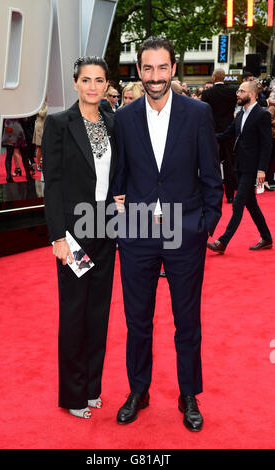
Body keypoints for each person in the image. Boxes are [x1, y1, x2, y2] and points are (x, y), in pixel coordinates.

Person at [112, 36, 223, 432]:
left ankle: (188, 393)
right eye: (148, 68)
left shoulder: (198, 113)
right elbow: (118, 176)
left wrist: (204, 224)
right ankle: (138, 390)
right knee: (137, 319)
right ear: (138, 71)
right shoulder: (123, 118)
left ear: (173, 68)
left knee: (187, 320)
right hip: (138, 233)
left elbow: (211, 174)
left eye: (162, 67)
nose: (155, 76)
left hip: (185, 231)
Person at [42, 56, 117, 419]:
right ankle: (72, 395)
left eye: (98, 80)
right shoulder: (59, 124)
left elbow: (115, 174)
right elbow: (51, 183)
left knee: (98, 311)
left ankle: (91, 388)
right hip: (73, 233)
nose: (92, 86)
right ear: (75, 83)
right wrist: (57, 236)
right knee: (74, 312)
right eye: (85, 79)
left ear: (106, 85)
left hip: (106, 227)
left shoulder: (111, 121)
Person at [207, 80, 273, 254]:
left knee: (238, 204)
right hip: (240, 166)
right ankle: (266, 237)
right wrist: (206, 137)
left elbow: (267, 145)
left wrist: (262, 170)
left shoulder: (262, 115)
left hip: (253, 168)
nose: (237, 94)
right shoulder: (240, 115)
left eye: (241, 91)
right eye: (238, 91)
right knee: (251, 205)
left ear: (251, 94)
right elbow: (226, 134)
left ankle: (222, 241)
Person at [201, 68, 238, 203]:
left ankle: (213, 194)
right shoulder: (232, 92)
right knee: (229, 163)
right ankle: (230, 195)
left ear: (214, 77)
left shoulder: (207, 93)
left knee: (212, 164)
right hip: (229, 131)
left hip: (213, 132)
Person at [33, 98, 48, 171]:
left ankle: (44, 163)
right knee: (39, 146)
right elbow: (42, 113)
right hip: (40, 126)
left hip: (46, 126)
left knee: (45, 146)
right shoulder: (41, 103)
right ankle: (38, 164)